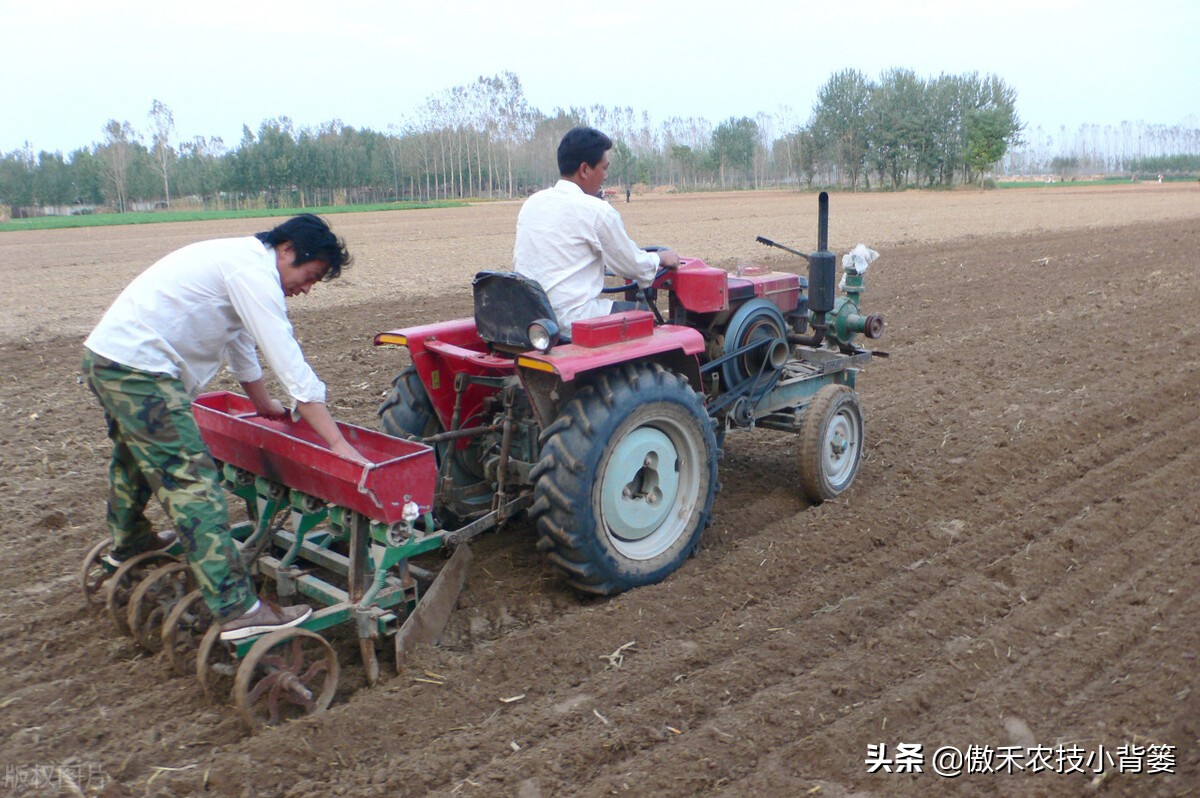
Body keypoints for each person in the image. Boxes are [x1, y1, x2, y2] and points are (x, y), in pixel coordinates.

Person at [82, 214, 366, 642]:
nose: (307, 288)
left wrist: (261, 404)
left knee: (133, 458)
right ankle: (238, 608)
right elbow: (288, 360)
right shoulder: (253, 272)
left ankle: (131, 542)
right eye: (311, 275)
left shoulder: (237, 261)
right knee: (194, 486)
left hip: (108, 360)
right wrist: (337, 443)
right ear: (287, 250)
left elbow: (239, 341)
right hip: (141, 371)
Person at [513, 126, 679, 329]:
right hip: (570, 319)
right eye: (604, 168)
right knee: (642, 315)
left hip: (530, 315)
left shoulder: (533, 203)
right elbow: (632, 265)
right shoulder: (596, 211)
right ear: (584, 169)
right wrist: (660, 258)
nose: (606, 176)